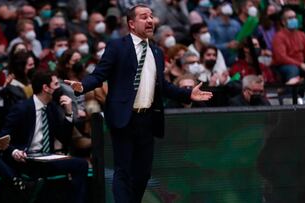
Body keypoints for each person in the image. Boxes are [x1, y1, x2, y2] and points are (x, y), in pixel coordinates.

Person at [65, 4, 213, 203]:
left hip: (148, 119)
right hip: (124, 117)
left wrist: (188, 95)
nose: (150, 20)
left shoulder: (157, 51)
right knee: (123, 171)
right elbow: (100, 75)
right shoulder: (117, 46)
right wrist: (82, 86)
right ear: (132, 24)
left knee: (143, 174)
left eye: (151, 16)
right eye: (144, 17)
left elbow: (163, 86)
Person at [0, 70, 88, 202]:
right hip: (26, 160)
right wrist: (15, 151)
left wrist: (69, 113)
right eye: (56, 84)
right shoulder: (22, 108)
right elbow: (2, 138)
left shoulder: (51, 107)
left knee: (81, 164)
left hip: (46, 158)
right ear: (46, 88)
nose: (60, 88)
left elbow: (64, 138)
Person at [272, 8, 305, 84]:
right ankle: (290, 94)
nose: (294, 20)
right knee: (293, 69)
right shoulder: (279, 37)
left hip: (301, 64)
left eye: (294, 17)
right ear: (283, 22)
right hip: (285, 65)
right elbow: (281, 58)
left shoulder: (302, 34)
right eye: (290, 18)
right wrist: (300, 64)